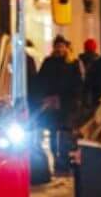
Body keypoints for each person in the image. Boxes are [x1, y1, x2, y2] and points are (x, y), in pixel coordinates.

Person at [34, 36, 80, 177]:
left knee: (65, 133)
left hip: (66, 104)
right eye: (57, 46)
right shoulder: (48, 62)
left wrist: (72, 100)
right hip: (51, 104)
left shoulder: (73, 63)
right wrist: (44, 98)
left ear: (66, 47)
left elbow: (77, 84)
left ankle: (64, 162)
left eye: (62, 46)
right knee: (53, 133)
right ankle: (57, 161)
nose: (60, 49)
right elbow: (40, 81)